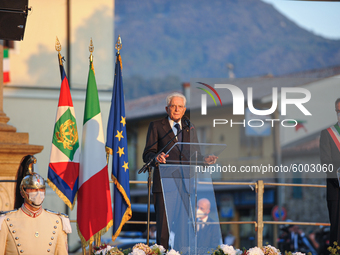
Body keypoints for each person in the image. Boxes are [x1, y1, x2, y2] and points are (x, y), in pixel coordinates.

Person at [143, 92, 217, 250]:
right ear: (167, 108)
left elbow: (194, 154)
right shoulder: (156, 126)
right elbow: (147, 154)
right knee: (163, 231)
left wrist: (204, 160)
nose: (177, 109)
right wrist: (156, 157)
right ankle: (161, 253)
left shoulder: (190, 127)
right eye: (173, 106)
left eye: (180, 106)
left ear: (184, 110)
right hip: (164, 186)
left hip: (185, 185)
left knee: (184, 231)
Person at [0, 155, 71, 255]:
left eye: (41, 189)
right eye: (33, 189)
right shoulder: (5, 221)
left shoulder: (57, 221)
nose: (38, 193)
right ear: (23, 192)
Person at [320, 98, 340, 246]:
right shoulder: (328, 134)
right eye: (338, 111)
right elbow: (326, 163)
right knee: (337, 233)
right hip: (336, 190)